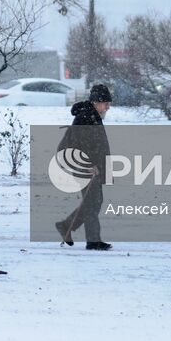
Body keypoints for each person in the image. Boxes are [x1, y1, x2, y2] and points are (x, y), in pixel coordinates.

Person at [56, 83, 113, 251]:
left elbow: (95, 144)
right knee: (92, 202)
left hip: (92, 166)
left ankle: (66, 225)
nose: (108, 107)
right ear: (96, 102)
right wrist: (89, 165)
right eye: (105, 103)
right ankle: (93, 241)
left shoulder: (93, 115)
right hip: (85, 167)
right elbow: (80, 145)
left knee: (94, 201)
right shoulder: (85, 117)